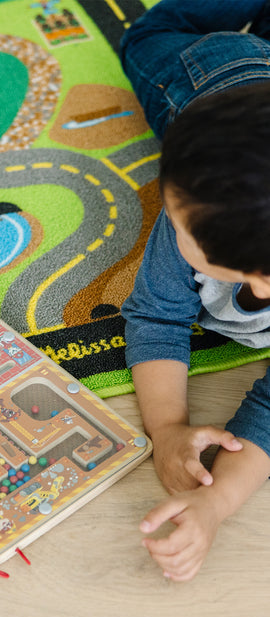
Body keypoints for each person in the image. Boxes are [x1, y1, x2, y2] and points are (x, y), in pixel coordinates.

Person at [119, 1, 270, 582]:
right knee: (151, 38)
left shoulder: (218, 218)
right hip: (214, 83)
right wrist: (167, 427)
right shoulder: (203, 194)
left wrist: (215, 504)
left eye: (177, 225)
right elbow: (156, 315)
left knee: (147, 37)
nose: (165, 219)